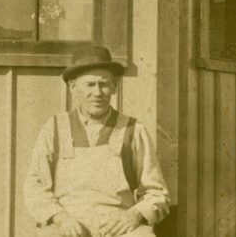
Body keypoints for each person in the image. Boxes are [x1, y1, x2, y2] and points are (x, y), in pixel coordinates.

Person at [24, 45, 170, 237]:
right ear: (73, 87)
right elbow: (35, 186)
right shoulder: (54, 128)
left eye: (104, 84)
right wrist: (61, 217)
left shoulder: (133, 130)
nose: (97, 93)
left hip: (118, 226)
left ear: (114, 87)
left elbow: (157, 193)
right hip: (69, 224)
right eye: (90, 85)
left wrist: (133, 215)